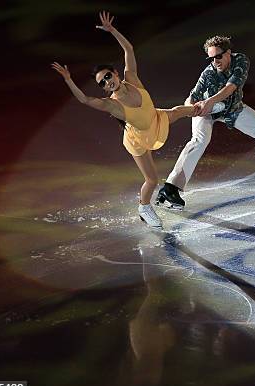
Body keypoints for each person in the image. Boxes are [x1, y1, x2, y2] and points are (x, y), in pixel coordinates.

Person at [51, 12, 223, 227]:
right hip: (138, 139)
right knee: (151, 180)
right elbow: (85, 100)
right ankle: (144, 207)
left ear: (114, 73)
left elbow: (129, 49)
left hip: (156, 119)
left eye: (107, 76)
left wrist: (112, 31)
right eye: (102, 83)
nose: (107, 83)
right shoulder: (112, 105)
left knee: (181, 110)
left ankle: (206, 107)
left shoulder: (131, 78)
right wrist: (68, 79)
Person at [156, 35, 255, 210]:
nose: (215, 61)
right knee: (199, 141)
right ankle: (170, 188)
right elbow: (191, 97)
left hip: (232, 109)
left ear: (228, 52)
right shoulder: (208, 73)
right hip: (207, 113)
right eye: (211, 58)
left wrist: (210, 101)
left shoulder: (241, 60)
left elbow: (231, 87)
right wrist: (191, 108)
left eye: (218, 56)